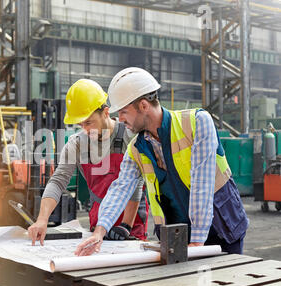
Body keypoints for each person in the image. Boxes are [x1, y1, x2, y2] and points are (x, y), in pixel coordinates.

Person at [75, 67, 249, 256]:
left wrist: (198, 242)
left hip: (222, 229)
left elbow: (202, 184)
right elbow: (120, 189)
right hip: (177, 236)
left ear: (143, 106)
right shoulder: (136, 148)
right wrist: (100, 232)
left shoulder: (197, 123)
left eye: (124, 111)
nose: (121, 119)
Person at [28, 79, 148, 246]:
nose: (84, 129)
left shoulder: (130, 137)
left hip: (130, 219)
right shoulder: (76, 144)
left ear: (106, 112)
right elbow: (58, 180)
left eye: (89, 122)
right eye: (80, 124)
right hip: (97, 217)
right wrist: (42, 220)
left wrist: (125, 226)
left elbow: (136, 183)